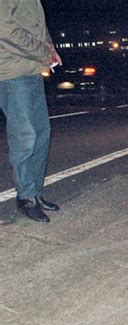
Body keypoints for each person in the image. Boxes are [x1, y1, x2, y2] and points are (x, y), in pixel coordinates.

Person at [0, 0, 62, 223]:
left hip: (33, 69)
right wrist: (43, 54)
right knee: (25, 136)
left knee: (42, 133)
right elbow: (5, 29)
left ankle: (35, 193)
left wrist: (51, 49)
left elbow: (39, 26)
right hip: (12, 73)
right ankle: (26, 197)